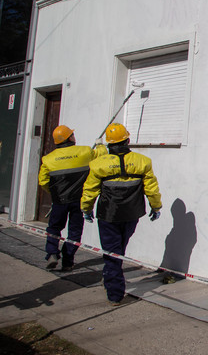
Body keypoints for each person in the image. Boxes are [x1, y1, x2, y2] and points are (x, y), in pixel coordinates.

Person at [80, 123, 162, 306]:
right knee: (118, 250)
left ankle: (115, 293)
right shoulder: (143, 161)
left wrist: (86, 208)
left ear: (109, 144)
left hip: (108, 214)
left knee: (112, 253)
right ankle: (110, 277)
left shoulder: (99, 164)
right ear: (128, 140)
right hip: (132, 214)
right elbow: (152, 188)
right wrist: (156, 207)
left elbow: (90, 190)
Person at [38, 125, 107, 271]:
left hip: (59, 201)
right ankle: (68, 262)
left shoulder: (48, 159)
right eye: (72, 135)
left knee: (54, 227)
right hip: (79, 200)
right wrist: (100, 144)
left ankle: (52, 253)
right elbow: (102, 155)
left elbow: (43, 182)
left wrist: (55, 193)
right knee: (74, 232)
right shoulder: (85, 152)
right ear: (69, 138)